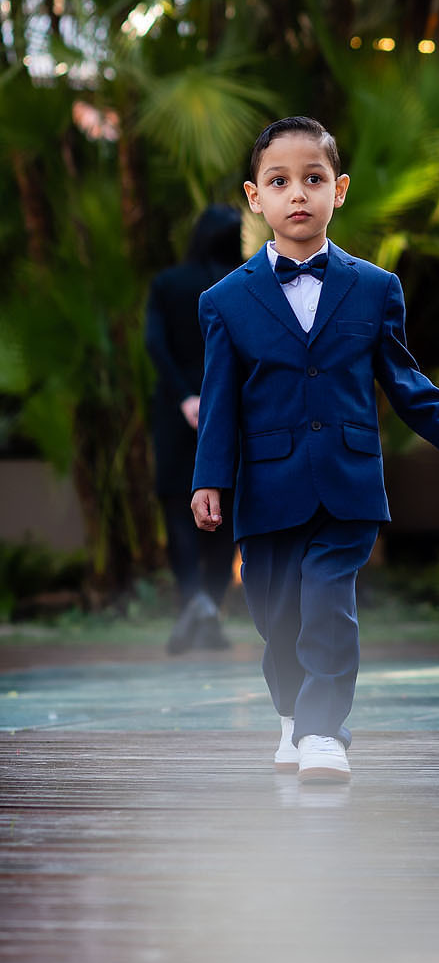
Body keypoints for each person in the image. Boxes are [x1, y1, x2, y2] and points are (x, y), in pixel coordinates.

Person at [190, 116, 439, 785]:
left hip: (348, 479)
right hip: (266, 486)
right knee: (277, 617)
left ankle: (323, 730)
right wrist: (208, 479)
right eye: (280, 182)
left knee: (328, 599)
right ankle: (292, 717)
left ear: (340, 189)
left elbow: (403, 378)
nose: (297, 194)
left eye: (313, 180)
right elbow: (220, 400)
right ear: (256, 197)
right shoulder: (223, 301)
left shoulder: (374, 288)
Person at [146, 205, 243, 655]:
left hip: (174, 410)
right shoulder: (244, 282)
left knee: (176, 505)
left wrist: (186, 396)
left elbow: (156, 344)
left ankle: (195, 603)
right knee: (227, 510)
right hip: (234, 410)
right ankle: (207, 608)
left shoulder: (167, 284)